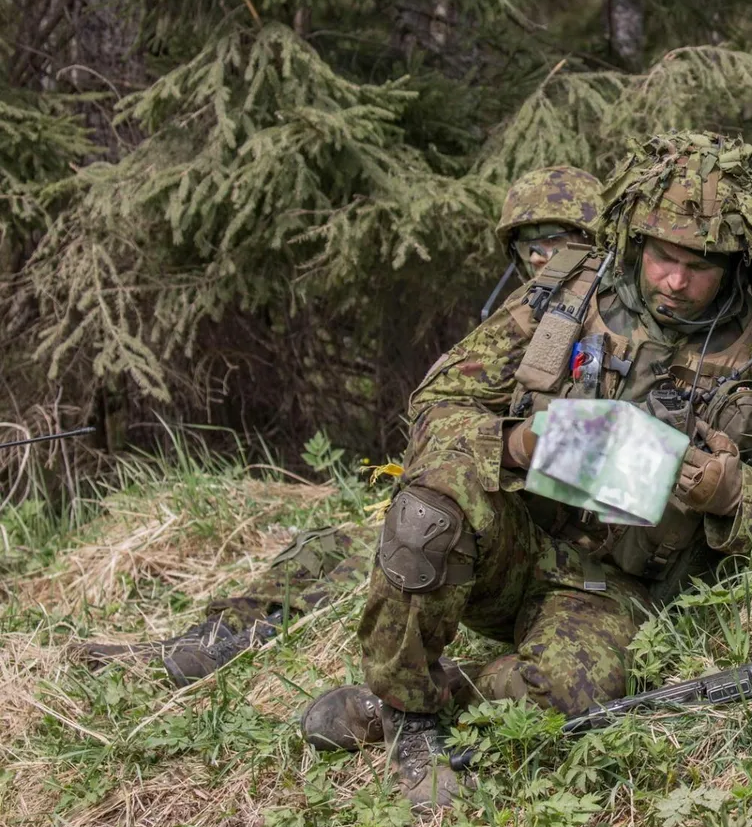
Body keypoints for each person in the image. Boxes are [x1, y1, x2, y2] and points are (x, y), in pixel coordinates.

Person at [299, 132, 752, 809]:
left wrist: (738, 494)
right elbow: (438, 400)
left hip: (612, 588)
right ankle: (410, 723)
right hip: (515, 541)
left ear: (736, 263)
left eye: (700, 265)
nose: (674, 280)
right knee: (429, 506)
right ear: (634, 241)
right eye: (661, 256)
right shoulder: (565, 298)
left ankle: (448, 692)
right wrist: (517, 443)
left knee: (576, 702)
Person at [76, 166, 607, 686]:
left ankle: (373, 680)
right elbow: (436, 407)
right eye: (527, 245)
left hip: (552, 548)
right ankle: (207, 639)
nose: (540, 257)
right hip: (491, 517)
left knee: (415, 546)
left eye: (555, 240)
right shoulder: (523, 318)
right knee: (330, 546)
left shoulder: (613, 324)